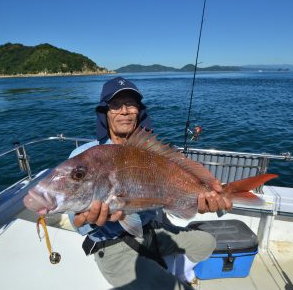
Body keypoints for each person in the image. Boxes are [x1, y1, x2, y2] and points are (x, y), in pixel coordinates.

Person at [68, 76, 231, 289]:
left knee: (208, 243)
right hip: (112, 244)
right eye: (116, 105)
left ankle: (173, 272)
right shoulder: (85, 156)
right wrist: (89, 219)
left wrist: (199, 199)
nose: (125, 111)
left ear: (139, 110)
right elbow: (75, 217)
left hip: (152, 230)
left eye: (131, 104)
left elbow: (173, 195)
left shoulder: (152, 153)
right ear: (105, 112)